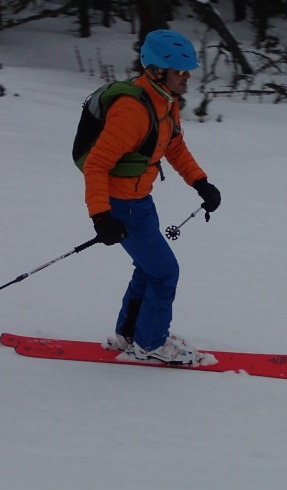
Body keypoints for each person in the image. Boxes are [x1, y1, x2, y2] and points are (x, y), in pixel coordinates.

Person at [82, 29, 221, 365]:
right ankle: (150, 345)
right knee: (164, 272)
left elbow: (174, 145)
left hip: (140, 201)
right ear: (158, 71)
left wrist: (200, 183)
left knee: (149, 269)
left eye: (190, 71)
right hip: (122, 207)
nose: (188, 78)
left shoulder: (164, 101)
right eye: (181, 72)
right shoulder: (132, 110)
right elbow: (96, 164)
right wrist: (101, 216)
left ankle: (130, 334)